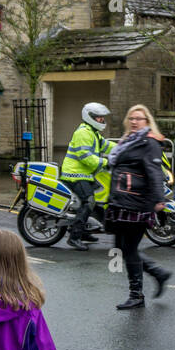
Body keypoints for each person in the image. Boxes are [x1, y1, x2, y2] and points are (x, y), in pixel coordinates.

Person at [106, 105, 173, 310]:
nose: (135, 122)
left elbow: (154, 171)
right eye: (131, 118)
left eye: (139, 118)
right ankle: (157, 274)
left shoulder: (149, 142)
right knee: (121, 248)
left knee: (129, 249)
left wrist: (159, 200)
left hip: (136, 205)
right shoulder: (128, 141)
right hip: (120, 201)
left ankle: (137, 294)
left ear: (147, 121)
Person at [62, 103, 112, 251]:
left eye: (102, 117)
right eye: (99, 117)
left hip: (85, 175)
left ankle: (84, 231)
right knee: (89, 201)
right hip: (74, 174)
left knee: (100, 198)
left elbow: (107, 145)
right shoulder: (83, 133)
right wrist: (106, 162)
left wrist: (125, 147)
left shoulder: (93, 132)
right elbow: (86, 158)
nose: (102, 120)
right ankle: (75, 237)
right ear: (90, 117)